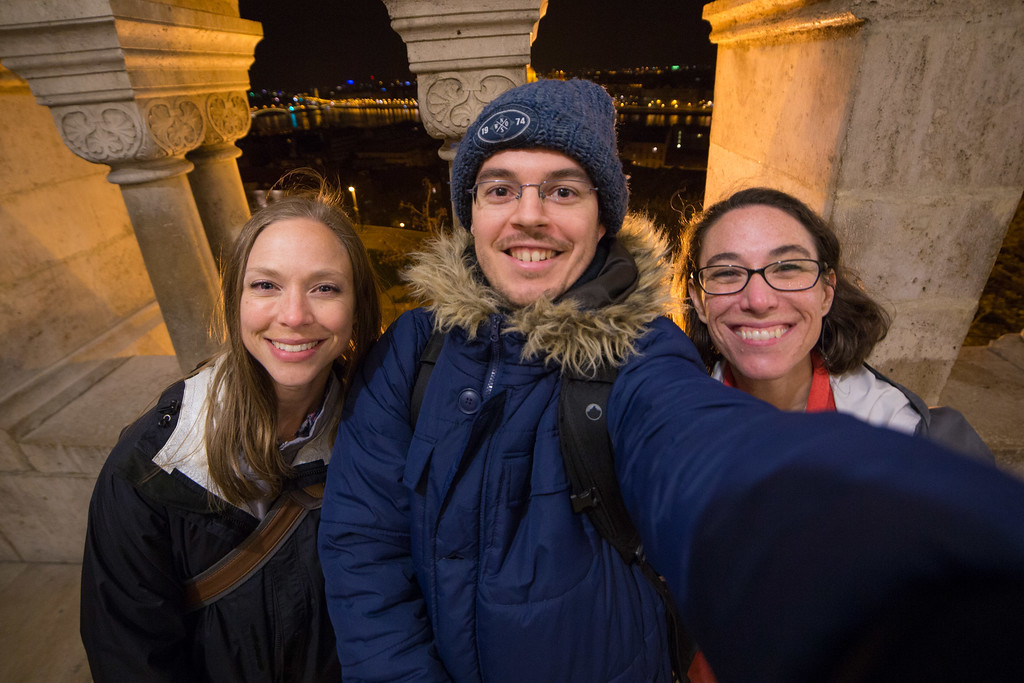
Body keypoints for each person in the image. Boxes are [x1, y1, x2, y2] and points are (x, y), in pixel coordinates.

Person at [318, 79, 1024, 682]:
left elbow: (695, 445)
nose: (528, 213)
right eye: (499, 187)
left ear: (602, 223)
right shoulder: (414, 348)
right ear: (471, 213)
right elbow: (361, 545)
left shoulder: (643, 349)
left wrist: (854, 537)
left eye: (562, 189)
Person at [80, 176, 382, 681]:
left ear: (357, 309)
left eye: (324, 288)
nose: (294, 315)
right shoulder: (152, 468)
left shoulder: (380, 437)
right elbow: (131, 657)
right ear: (234, 301)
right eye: (266, 285)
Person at [676, 187, 992, 459]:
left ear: (827, 292)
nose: (758, 301)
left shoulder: (926, 447)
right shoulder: (664, 435)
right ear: (700, 300)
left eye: (787, 268)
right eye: (727, 273)